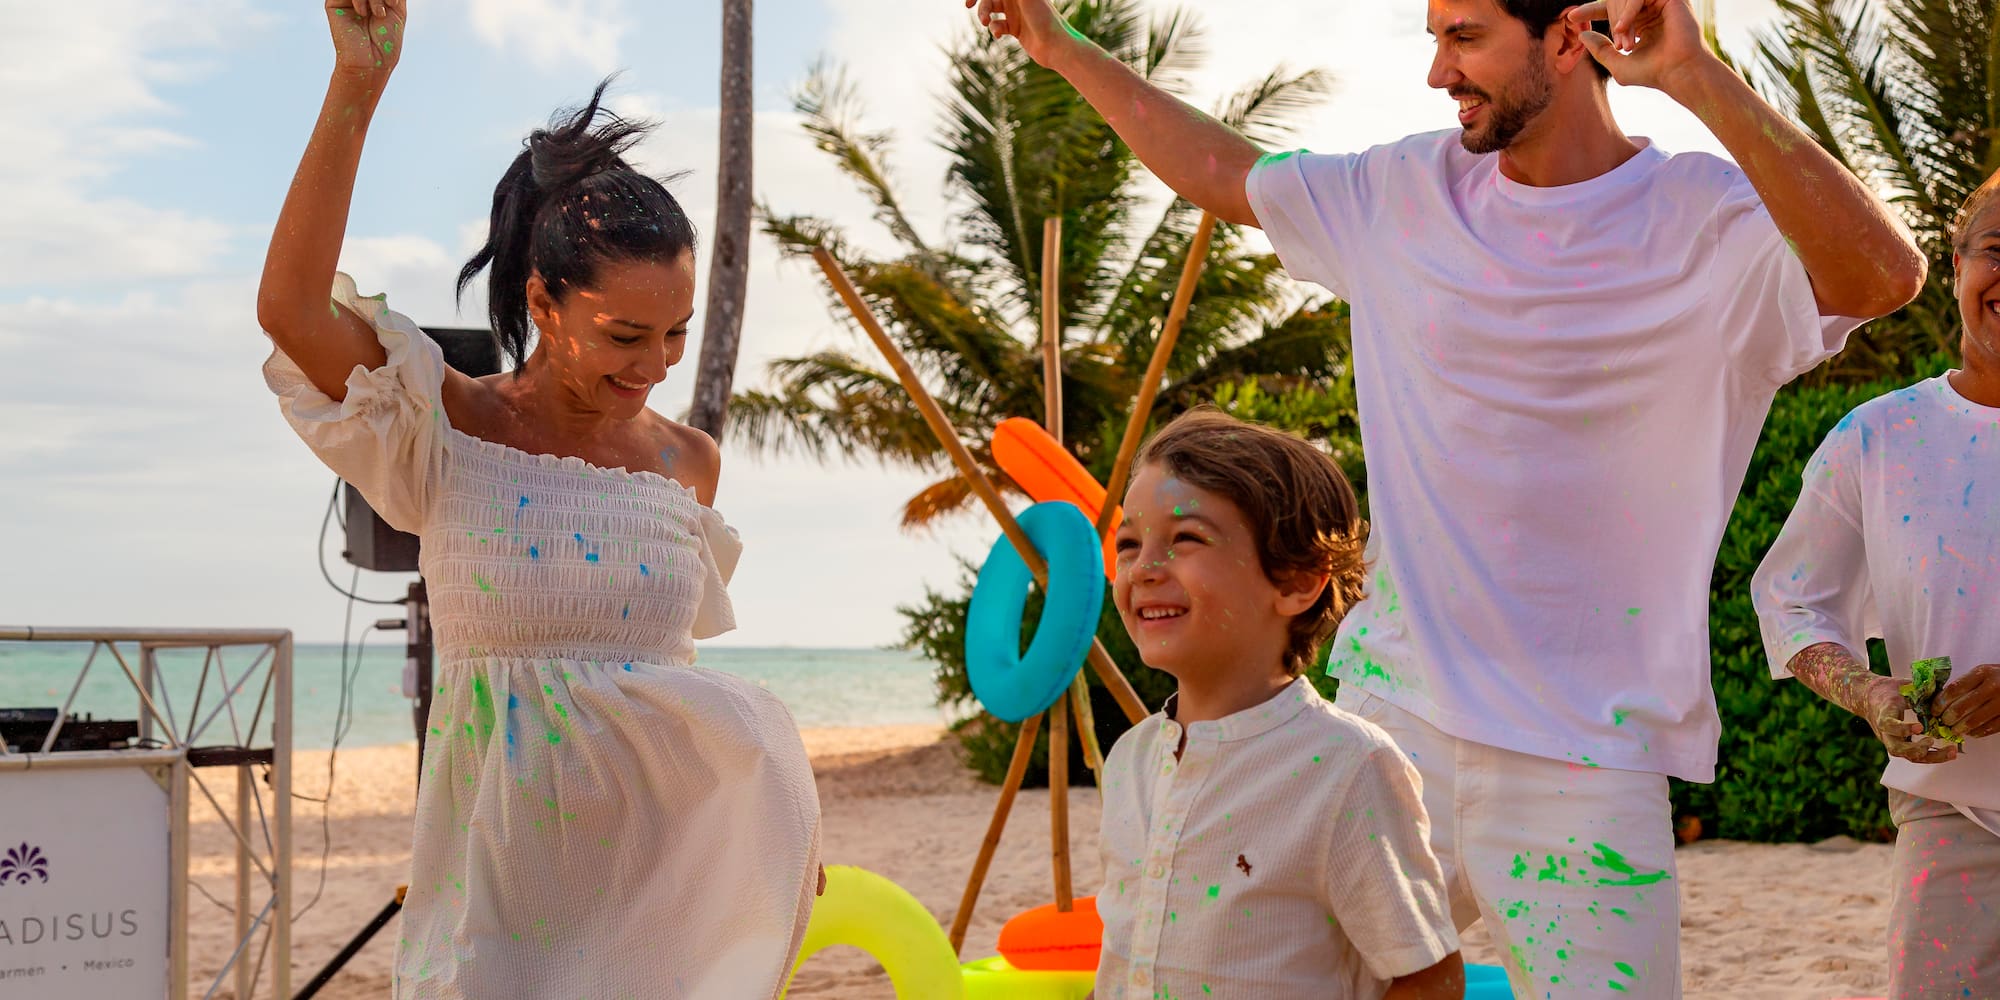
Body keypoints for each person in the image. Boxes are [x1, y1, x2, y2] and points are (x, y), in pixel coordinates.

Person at [968, 0, 1926, 993]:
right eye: (1434, 38)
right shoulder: (1398, 195)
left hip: (1586, 760)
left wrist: (1693, 74)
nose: (1438, 71)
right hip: (1391, 725)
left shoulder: (1706, 223)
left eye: (1464, 37)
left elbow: (1883, 276)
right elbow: (1222, 171)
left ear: (1567, 37)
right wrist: (1058, 45)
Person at [254, 3, 820, 996]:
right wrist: (357, 85)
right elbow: (292, 310)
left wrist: (759, 825)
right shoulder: (447, 425)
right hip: (496, 896)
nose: (654, 364)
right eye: (623, 334)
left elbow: (665, 693)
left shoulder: (686, 462)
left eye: (675, 332)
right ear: (544, 303)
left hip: (657, 896)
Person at [1091, 409, 1462, 999]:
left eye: (1186, 539)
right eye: (1129, 544)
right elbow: (1125, 958)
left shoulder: (1349, 767)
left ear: (1296, 581)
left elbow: (1430, 978)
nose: (1144, 570)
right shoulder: (1130, 759)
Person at [1751, 171, 2000, 1000]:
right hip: (1952, 818)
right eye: (1998, 251)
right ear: (1957, 264)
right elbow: (1792, 600)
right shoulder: (1883, 437)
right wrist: (1867, 691)